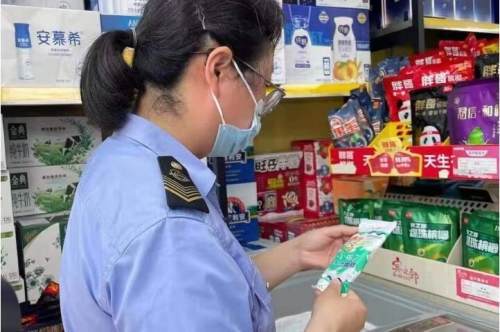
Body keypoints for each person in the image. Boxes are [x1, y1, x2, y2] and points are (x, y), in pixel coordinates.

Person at [60, 0, 367, 331]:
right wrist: (330, 327)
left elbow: (202, 291)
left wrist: (296, 254)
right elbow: (180, 270)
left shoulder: (124, 156)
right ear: (218, 69)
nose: (260, 107)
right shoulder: (170, 229)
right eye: (264, 87)